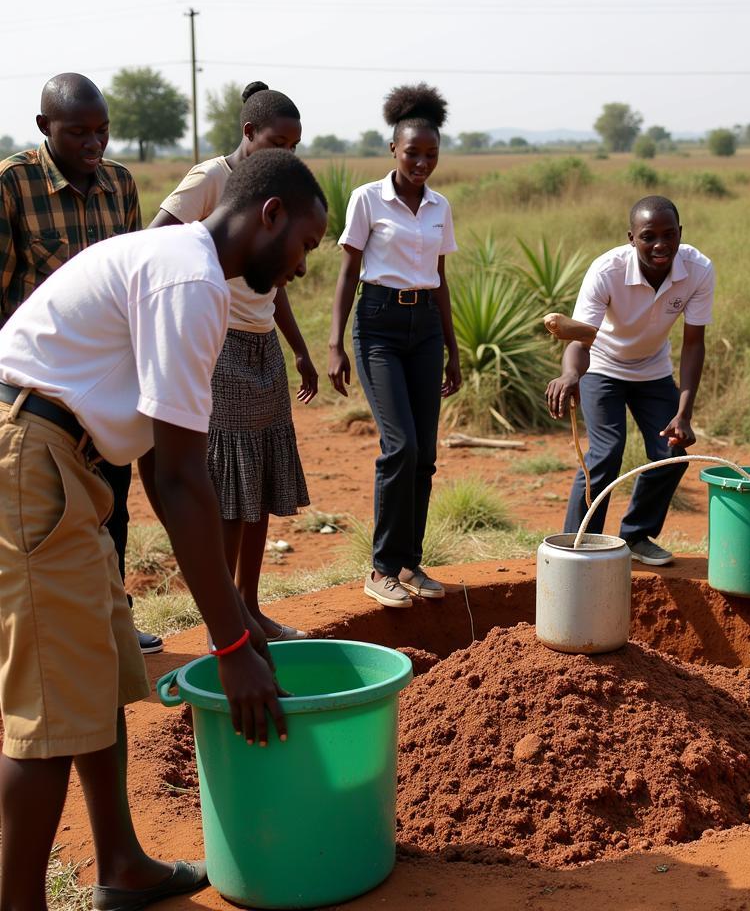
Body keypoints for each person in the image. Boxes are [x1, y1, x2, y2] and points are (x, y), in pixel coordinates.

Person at [0, 148, 327, 911]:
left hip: (66, 461)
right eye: (306, 245)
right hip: (32, 456)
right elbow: (182, 479)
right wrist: (234, 642)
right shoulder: (191, 282)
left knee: (101, 665)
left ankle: (120, 862)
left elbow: (160, 457)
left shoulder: (184, 266)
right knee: (48, 709)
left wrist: (233, 616)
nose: (303, 269)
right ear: (269, 215)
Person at [0, 73, 162, 655]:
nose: (94, 144)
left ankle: (111, 623)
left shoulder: (120, 184)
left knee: (110, 503)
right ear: (45, 128)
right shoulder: (12, 184)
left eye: (103, 131)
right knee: (38, 524)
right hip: (37, 391)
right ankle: (44, 638)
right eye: (78, 133)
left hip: (105, 381)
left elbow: (134, 281)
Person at [150, 83, 315, 641]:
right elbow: (156, 244)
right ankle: (224, 618)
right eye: (276, 141)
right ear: (248, 133)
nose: (284, 153)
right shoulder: (210, 178)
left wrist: (298, 349)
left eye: (293, 145)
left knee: (261, 478)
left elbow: (275, 277)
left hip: (261, 343)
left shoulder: (278, 188)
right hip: (215, 342)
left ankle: (249, 604)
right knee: (225, 483)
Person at [328, 84, 461, 609]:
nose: (422, 162)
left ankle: (410, 562)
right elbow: (347, 273)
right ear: (393, 150)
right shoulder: (367, 199)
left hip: (425, 327)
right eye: (412, 153)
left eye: (431, 154)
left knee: (424, 455)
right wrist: (335, 344)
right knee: (399, 446)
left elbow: (440, 278)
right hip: (378, 324)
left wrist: (453, 348)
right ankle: (381, 569)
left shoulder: (439, 206)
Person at [546, 195, 714, 564]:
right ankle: (577, 546)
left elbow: (693, 344)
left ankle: (636, 537)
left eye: (669, 235)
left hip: (653, 370)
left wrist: (684, 412)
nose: (660, 245)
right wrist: (571, 374)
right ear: (631, 238)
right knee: (606, 452)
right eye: (648, 236)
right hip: (603, 365)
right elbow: (581, 337)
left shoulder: (698, 269)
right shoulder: (607, 270)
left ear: (680, 233)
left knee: (671, 453)